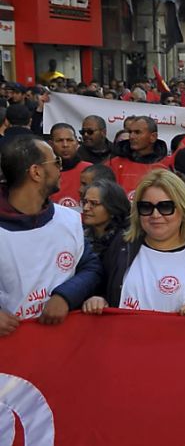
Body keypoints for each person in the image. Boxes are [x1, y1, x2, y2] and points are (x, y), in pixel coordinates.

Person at [0, 135, 101, 335]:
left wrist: (65, 296)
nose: (60, 168)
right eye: (56, 162)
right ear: (36, 172)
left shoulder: (70, 220)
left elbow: (92, 268)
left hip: (58, 344)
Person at [81, 170, 185, 316]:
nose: (155, 215)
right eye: (146, 207)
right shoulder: (122, 245)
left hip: (180, 338)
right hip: (125, 336)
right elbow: (103, 288)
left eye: (165, 207)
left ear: (183, 209)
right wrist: (98, 300)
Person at [108, 116, 168, 197]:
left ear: (153, 137)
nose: (131, 136)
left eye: (137, 132)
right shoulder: (114, 163)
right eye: (130, 132)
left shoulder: (166, 165)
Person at [81, 179, 130, 257]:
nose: (86, 208)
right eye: (85, 202)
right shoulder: (80, 235)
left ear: (112, 207)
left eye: (94, 203)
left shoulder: (126, 241)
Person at [48, 123, 90, 208]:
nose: (65, 145)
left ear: (77, 143)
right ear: (51, 144)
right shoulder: (44, 172)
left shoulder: (89, 170)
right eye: (59, 141)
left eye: (69, 140)